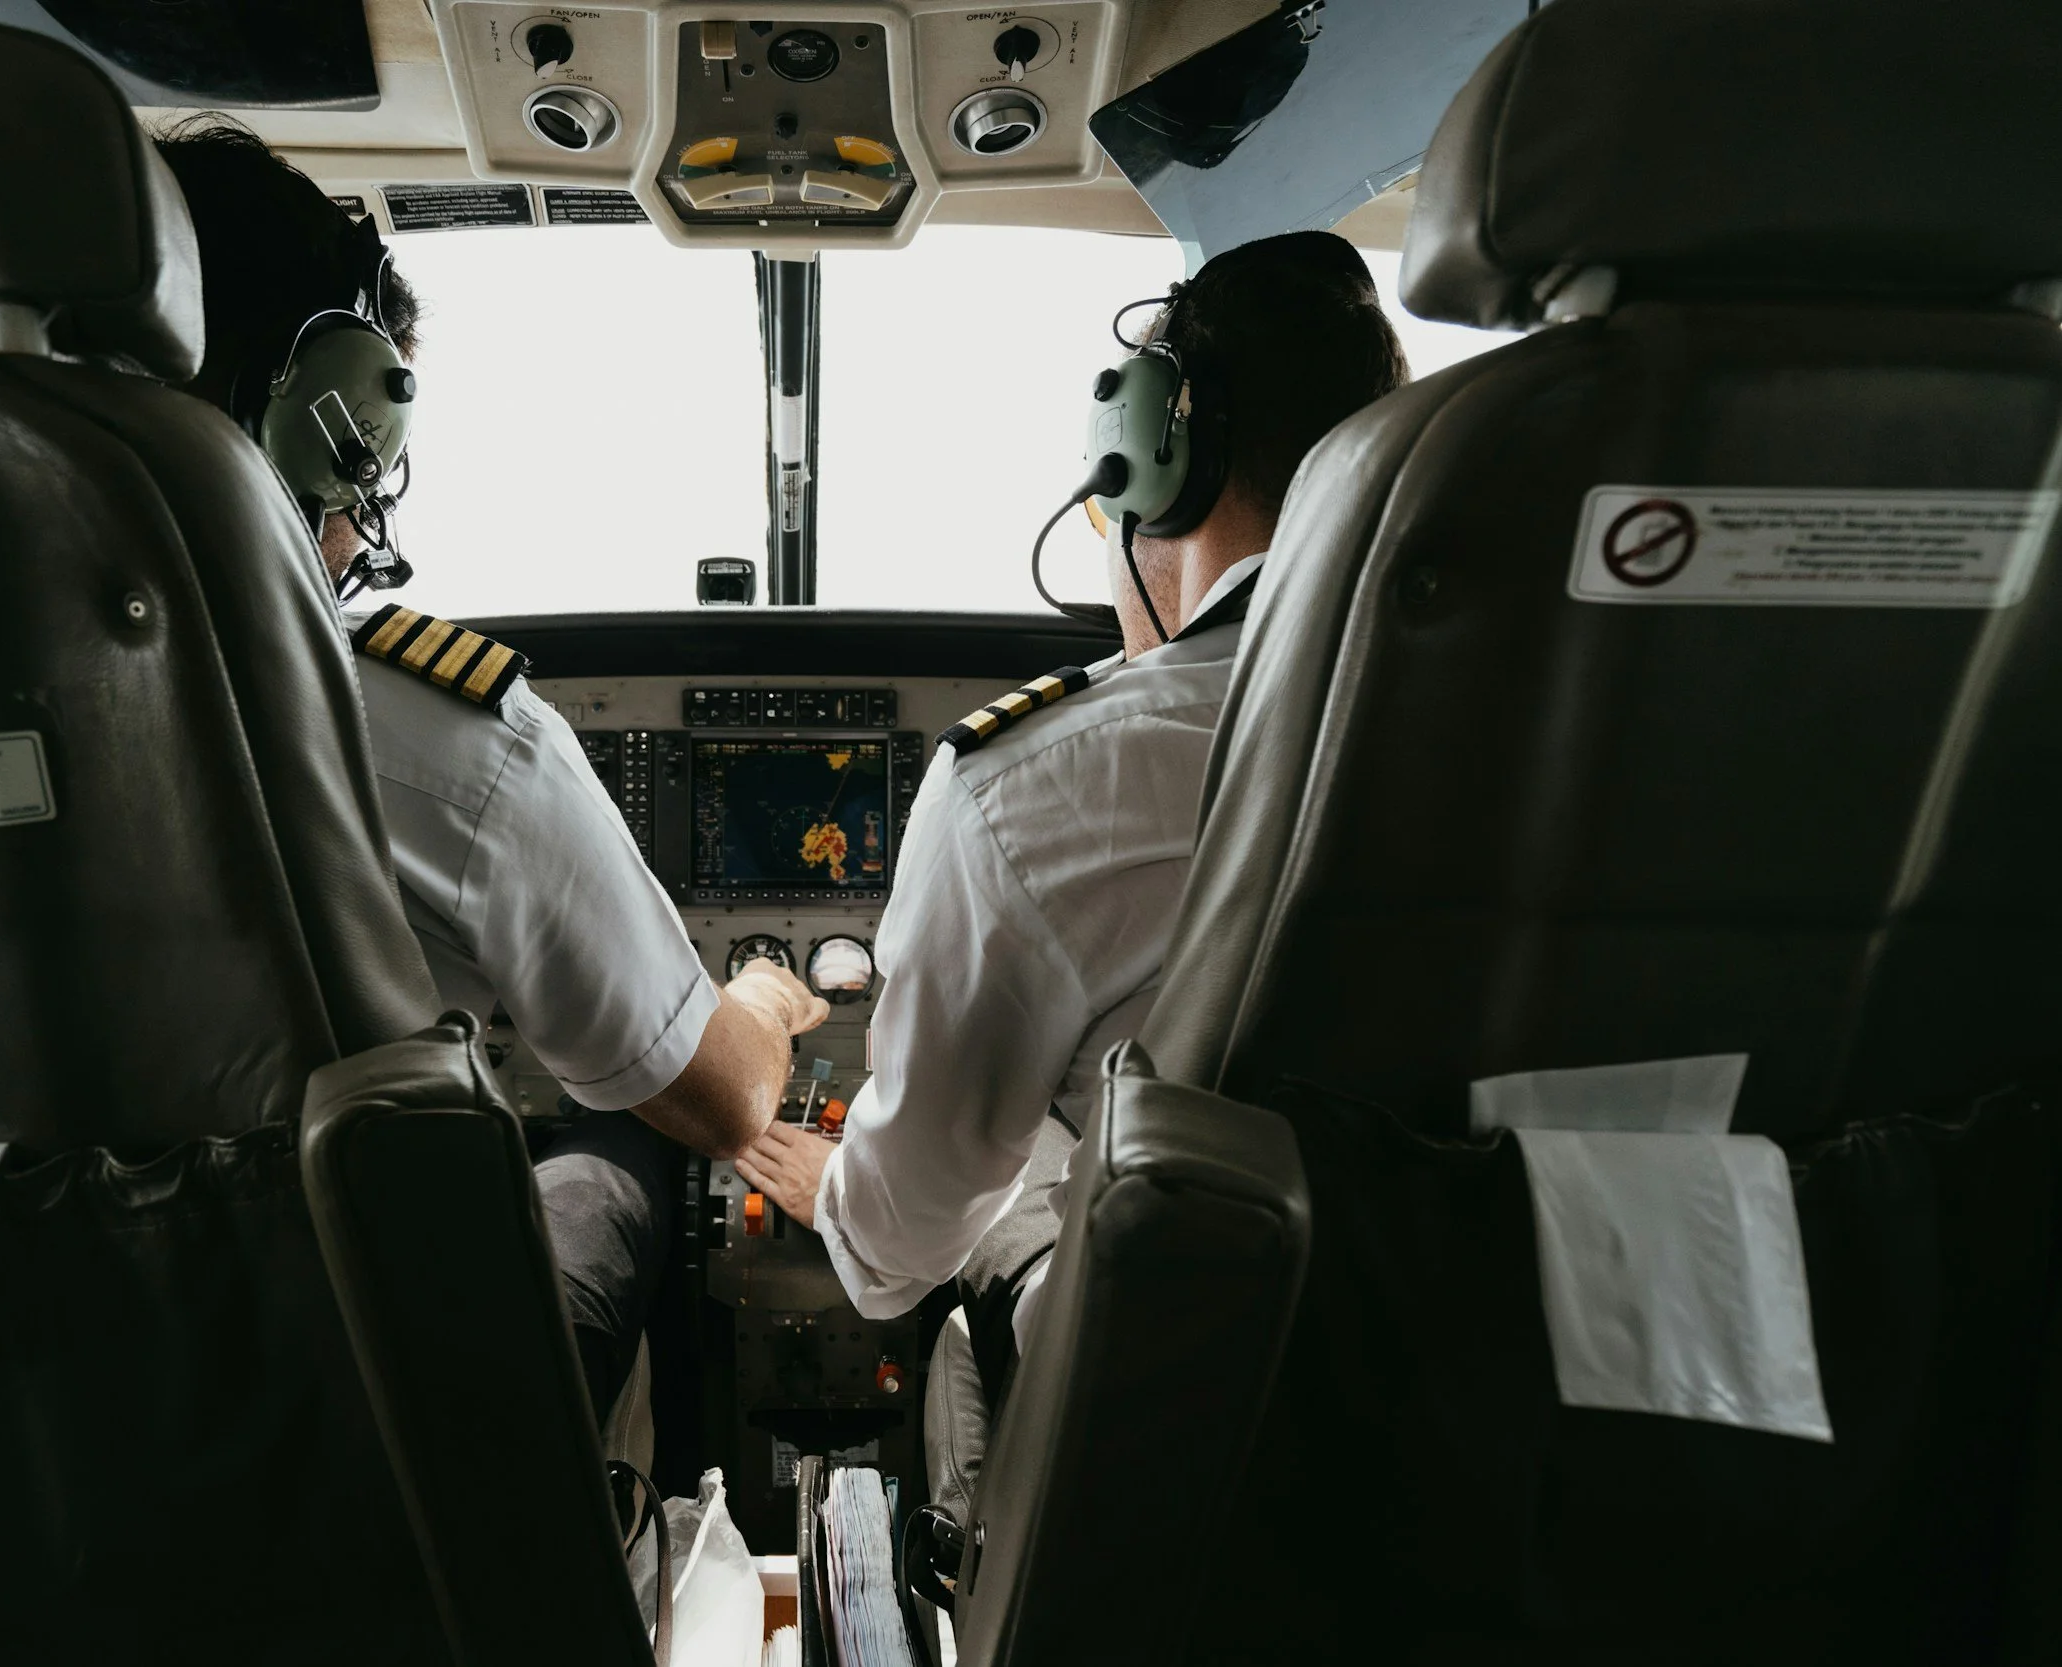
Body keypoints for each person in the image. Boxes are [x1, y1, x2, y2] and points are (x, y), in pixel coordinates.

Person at [154, 117, 827, 1421]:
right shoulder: (444, 745)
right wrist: (759, 994)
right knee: (625, 1115)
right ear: (324, 420)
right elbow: (726, 1090)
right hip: (328, 1402)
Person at [734, 232, 1409, 1466]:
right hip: (1544, 1390)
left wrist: (836, 1176)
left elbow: (897, 1250)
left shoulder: (1028, 785)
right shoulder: (1585, 727)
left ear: (1156, 470)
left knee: (1041, 1163)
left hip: (1210, 1436)